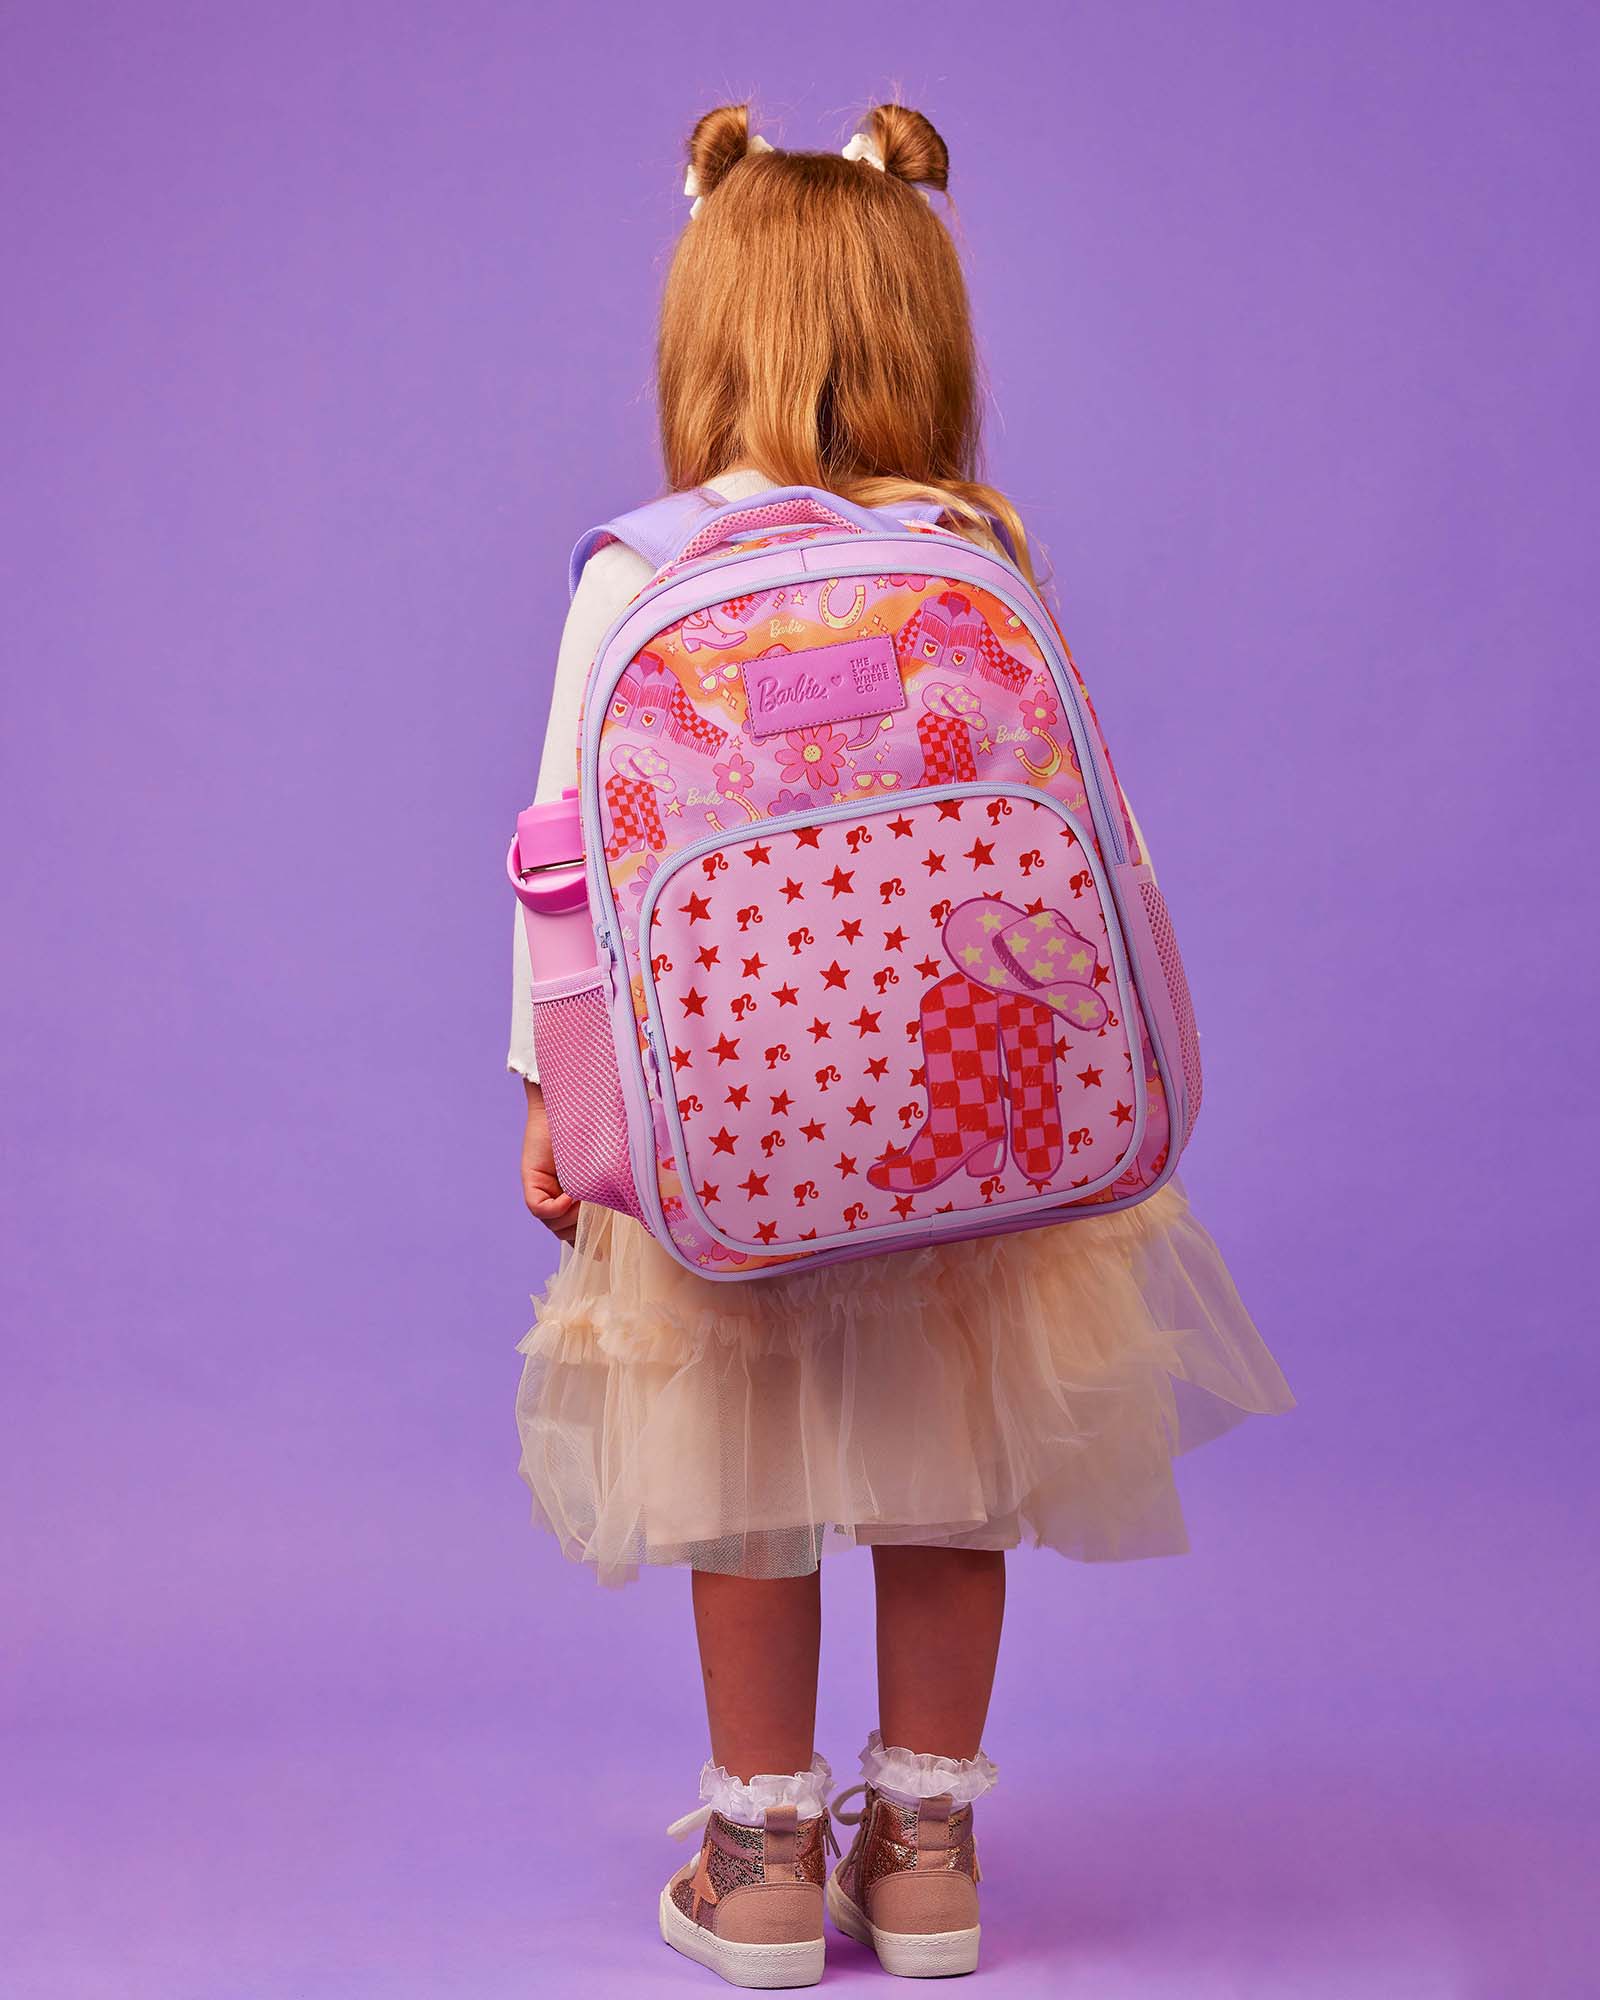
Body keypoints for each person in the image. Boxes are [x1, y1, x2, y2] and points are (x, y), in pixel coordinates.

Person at [507, 101, 1293, 1988]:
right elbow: (1092, 849)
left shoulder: (634, 576)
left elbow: (559, 873)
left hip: (731, 1125)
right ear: (926, 324)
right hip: (976, 1111)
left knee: (742, 1476)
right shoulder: (972, 554)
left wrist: (554, 1099)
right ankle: (929, 1854)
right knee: (954, 1468)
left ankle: (764, 1864)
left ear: (704, 329)